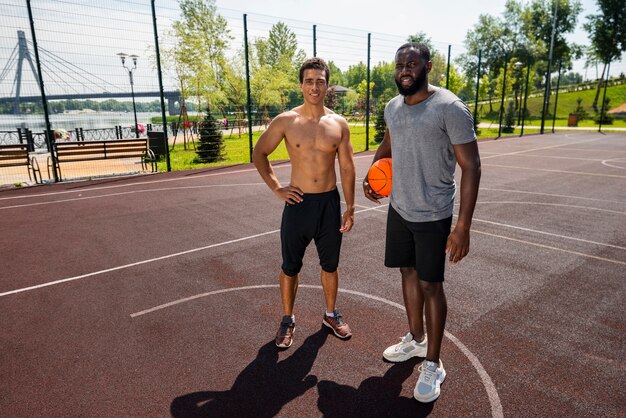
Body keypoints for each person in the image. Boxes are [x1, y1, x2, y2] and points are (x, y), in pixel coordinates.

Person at [363, 43, 481, 403]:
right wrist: (371, 177)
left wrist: (462, 227)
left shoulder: (449, 108)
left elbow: (472, 166)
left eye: (412, 63)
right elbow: (388, 144)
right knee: (407, 273)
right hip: (400, 209)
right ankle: (415, 341)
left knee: (431, 285)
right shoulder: (392, 108)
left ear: (428, 66)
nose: (405, 70)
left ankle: (434, 362)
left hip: (434, 214)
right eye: (400, 64)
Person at [253, 57, 356, 349]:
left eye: (320, 81)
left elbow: (347, 167)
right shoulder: (287, 120)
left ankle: (331, 314)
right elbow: (259, 153)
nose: (314, 86)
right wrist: (276, 187)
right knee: (290, 267)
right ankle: (287, 319)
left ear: (327, 86)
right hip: (298, 203)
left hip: (328, 204)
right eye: (309, 81)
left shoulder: (339, 123)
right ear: (301, 85)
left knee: (330, 265)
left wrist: (350, 206)